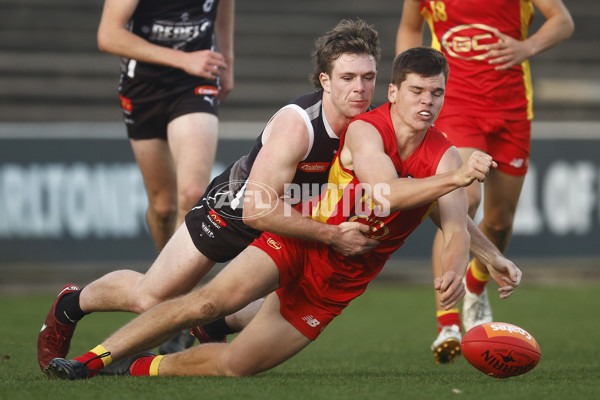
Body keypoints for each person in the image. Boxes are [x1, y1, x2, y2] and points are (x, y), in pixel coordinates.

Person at [43, 47, 522, 380]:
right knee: (177, 296)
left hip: (330, 260)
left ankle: (143, 363)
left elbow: (452, 221)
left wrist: (477, 260)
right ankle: (90, 351)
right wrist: (453, 180)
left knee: (238, 364)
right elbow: (384, 193)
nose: (427, 102)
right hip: (257, 216)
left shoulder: (442, 156)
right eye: (418, 91)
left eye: (436, 94)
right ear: (394, 93)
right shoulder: (349, 129)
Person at [37, 18, 383, 371]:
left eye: (368, 78)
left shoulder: (373, 126)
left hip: (292, 222)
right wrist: (331, 234)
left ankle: (208, 326)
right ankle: (71, 304)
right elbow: (256, 210)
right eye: (347, 78)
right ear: (324, 81)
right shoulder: (299, 125)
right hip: (234, 210)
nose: (360, 88)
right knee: (152, 297)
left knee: (279, 308)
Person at [396, 0, 574, 363]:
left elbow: (563, 21)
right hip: (456, 107)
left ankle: (477, 284)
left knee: (499, 220)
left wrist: (528, 47)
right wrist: (408, 84)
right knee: (463, 200)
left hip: (511, 109)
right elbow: (409, 26)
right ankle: (447, 322)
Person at [97, 0, 235, 252]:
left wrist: (227, 55)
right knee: (162, 207)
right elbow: (108, 35)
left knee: (193, 193)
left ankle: (174, 286)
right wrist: (182, 59)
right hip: (143, 87)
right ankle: (165, 278)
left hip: (195, 82)